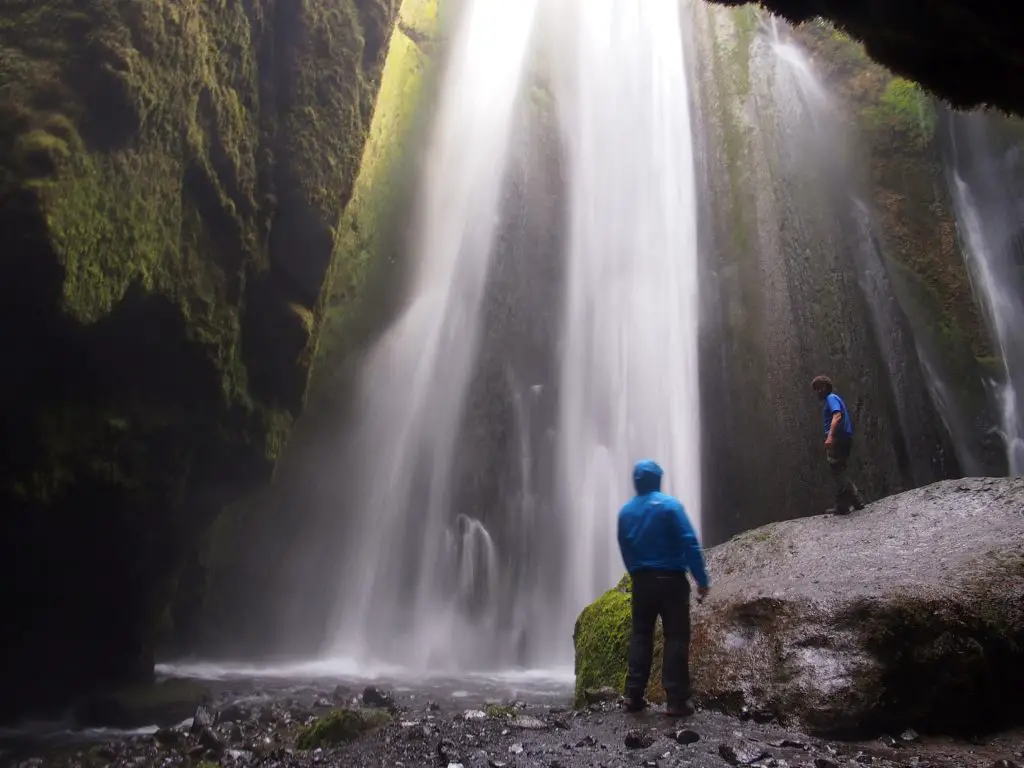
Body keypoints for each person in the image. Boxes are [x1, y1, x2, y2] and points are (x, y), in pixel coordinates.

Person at [617, 459, 709, 717]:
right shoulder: (670, 506)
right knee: (676, 637)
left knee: (641, 636)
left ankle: (633, 694)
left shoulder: (625, 513)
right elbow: (689, 542)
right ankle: (676, 700)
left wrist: (635, 570)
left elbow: (624, 546)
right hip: (672, 581)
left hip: (642, 582)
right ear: (658, 479)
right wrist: (701, 579)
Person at [811, 375, 866, 515]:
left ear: (824, 387)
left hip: (838, 439)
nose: (817, 392)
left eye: (818, 388)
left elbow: (837, 416)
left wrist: (830, 437)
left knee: (837, 471)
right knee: (839, 470)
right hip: (843, 438)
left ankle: (844, 505)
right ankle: (856, 502)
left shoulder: (831, 398)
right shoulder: (834, 398)